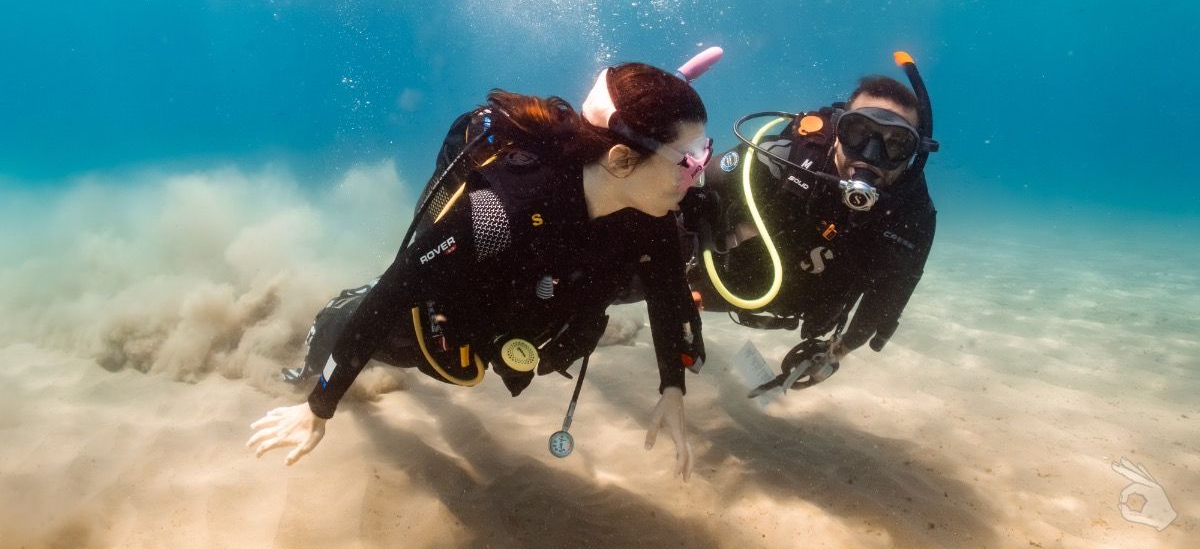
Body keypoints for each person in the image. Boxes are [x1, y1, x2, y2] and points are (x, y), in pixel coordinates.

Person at [248, 56, 719, 479]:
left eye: (703, 152)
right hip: (438, 313)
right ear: (620, 159)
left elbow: (665, 287)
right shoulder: (497, 212)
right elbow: (394, 292)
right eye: (686, 159)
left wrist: (672, 387)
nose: (697, 172)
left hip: (518, 305)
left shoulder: (649, 213)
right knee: (377, 323)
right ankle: (325, 331)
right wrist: (319, 408)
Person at [682, 51, 938, 395]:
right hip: (724, 285)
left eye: (896, 144)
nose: (871, 156)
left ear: (914, 153)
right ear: (837, 130)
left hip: (803, 307)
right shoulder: (783, 158)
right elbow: (682, 210)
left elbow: (889, 295)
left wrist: (836, 351)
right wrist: (673, 299)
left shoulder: (913, 215)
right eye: (859, 133)